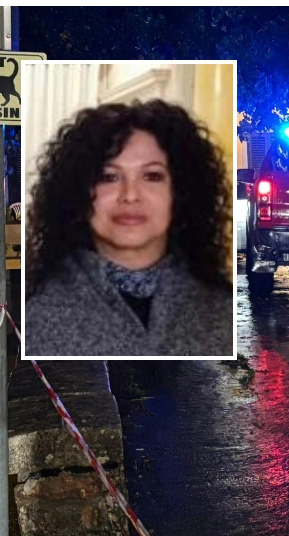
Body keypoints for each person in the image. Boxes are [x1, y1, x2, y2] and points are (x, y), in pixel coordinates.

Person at [25, 100, 234, 357]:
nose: (130, 195)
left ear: (181, 192)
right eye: (108, 177)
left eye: (152, 176)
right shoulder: (28, 313)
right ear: (78, 191)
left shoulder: (225, 311)